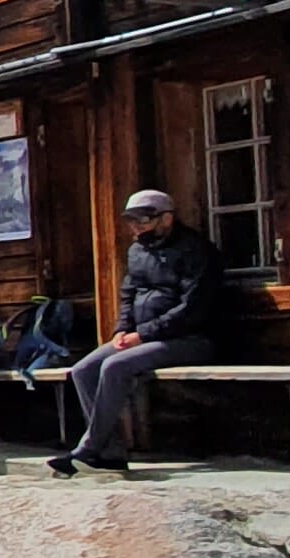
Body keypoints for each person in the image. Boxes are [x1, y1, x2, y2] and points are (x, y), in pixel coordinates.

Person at [51, 188, 222, 477]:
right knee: (83, 370)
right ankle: (111, 453)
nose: (136, 226)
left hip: (190, 338)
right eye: (131, 220)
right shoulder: (138, 251)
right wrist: (122, 329)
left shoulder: (197, 251)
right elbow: (129, 294)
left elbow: (192, 308)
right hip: (143, 336)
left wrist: (142, 334)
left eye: (143, 219)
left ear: (166, 218)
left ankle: (89, 449)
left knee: (116, 366)